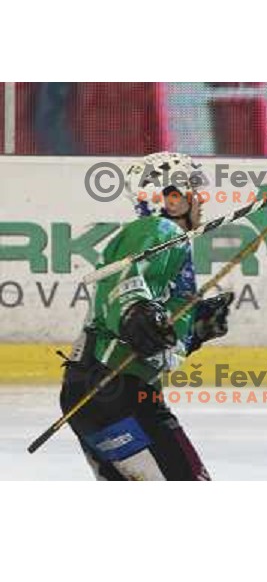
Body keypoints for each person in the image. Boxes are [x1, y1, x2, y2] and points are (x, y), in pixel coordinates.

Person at [59, 152, 232, 480]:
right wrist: (134, 312)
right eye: (193, 190)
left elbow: (151, 331)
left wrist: (193, 330)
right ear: (172, 196)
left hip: (94, 389)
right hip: (114, 388)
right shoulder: (159, 229)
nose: (201, 201)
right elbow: (126, 290)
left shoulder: (168, 239)